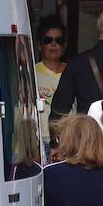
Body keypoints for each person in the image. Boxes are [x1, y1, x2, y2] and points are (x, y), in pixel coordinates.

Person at [34, 15, 68, 161]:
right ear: (39, 45)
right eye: (48, 40)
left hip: (68, 142)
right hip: (39, 141)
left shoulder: (73, 72)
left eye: (58, 41)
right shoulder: (31, 73)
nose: (53, 45)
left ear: (64, 46)